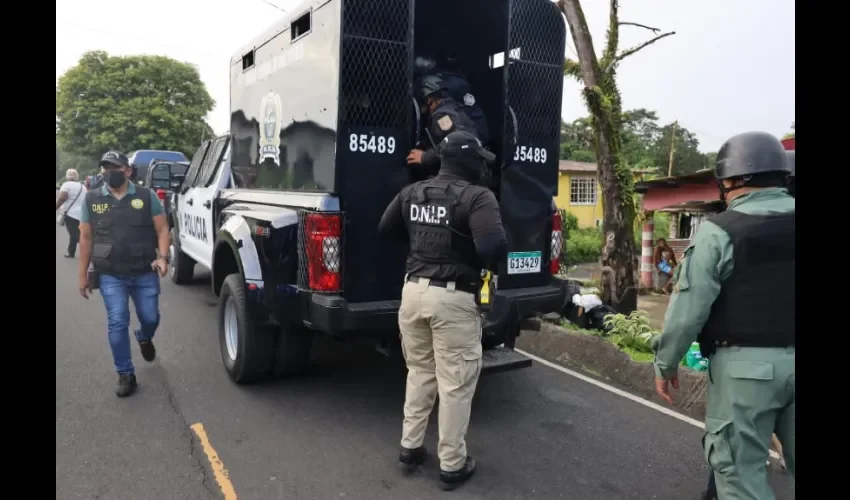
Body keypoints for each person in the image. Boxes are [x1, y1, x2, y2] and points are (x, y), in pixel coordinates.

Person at [651, 131, 795, 500]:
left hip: (745, 374)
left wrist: (665, 365)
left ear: (729, 181)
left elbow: (687, 314)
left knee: (742, 479)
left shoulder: (718, 233)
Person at [378, 130, 507, 491]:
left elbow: (385, 228)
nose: (483, 165)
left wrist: (422, 245)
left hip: (413, 292)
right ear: (469, 162)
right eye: (479, 159)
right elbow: (492, 246)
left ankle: (410, 446)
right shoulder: (478, 197)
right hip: (452, 298)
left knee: (419, 371)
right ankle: (452, 464)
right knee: (455, 384)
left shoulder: (413, 192)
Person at [78, 151, 171, 398]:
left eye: (115, 167)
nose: (109, 172)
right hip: (110, 274)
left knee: (150, 317)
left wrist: (162, 257)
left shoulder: (146, 196)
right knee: (117, 321)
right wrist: (82, 275)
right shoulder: (92, 199)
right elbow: (85, 237)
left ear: (127, 170)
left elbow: (162, 229)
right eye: (105, 168)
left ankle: (144, 337)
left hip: (144, 271)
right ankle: (125, 373)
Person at [407, 74, 489, 182]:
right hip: (475, 171)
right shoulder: (456, 109)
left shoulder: (441, 115)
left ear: (428, 99)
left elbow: (456, 144)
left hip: (463, 177)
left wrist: (426, 157)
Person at [56, 168, 87, 258]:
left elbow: (62, 198)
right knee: (76, 233)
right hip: (81, 213)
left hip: (71, 213)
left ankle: (86, 249)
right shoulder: (82, 186)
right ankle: (71, 251)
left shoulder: (66, 185)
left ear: (67, 175)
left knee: (74, 234)